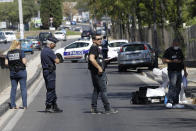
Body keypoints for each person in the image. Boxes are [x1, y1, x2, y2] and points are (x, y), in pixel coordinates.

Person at [88, 34, 118, 114]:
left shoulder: (97, 48)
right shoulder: (94, 47)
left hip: (96, 72)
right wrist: (99, 68)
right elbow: (91, 59)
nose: (100, 40)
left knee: (96, 90)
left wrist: (105, 61)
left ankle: (93, 108)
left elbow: (98, 59)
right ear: (93, 40)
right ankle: (107, 108)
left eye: (101, 39)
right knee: (103, 90)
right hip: (98, 72)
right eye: (98, 39)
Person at [162, 38, 188, 109]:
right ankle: (169, 101)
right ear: (173, 44)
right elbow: (163, 60)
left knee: (178, 87)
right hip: (172, 71)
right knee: (172, 86)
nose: (176, 45)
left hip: (179, 71)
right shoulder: (169, 51)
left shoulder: (180, 51)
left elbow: (183, 61)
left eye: (177, 44)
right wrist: (172, 61)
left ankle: (176, 102)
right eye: (175, 44)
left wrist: (185, 71)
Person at [41, 37, 63, 113]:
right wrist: (59, 58)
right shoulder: (49, 51)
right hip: (50, 72)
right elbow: (57, 61)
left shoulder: (43, 50)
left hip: (46, 71)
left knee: (51, 88)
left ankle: (54, 105)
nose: (55, 45)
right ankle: (48, 106)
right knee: (51, 89)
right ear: (51, 44)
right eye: (54, 44)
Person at [5, 40, 27, 109]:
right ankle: (24, 105)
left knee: (13, 89)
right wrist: (25, 61)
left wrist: (12, 65)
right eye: (19, 45)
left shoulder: (8, 53)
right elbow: (24, 62)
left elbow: (6, 63)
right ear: (17, 45)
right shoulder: (21, 52)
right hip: (21, 72)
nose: (20, 46)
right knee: (23, 88)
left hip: (13, 73)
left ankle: (13, 105)